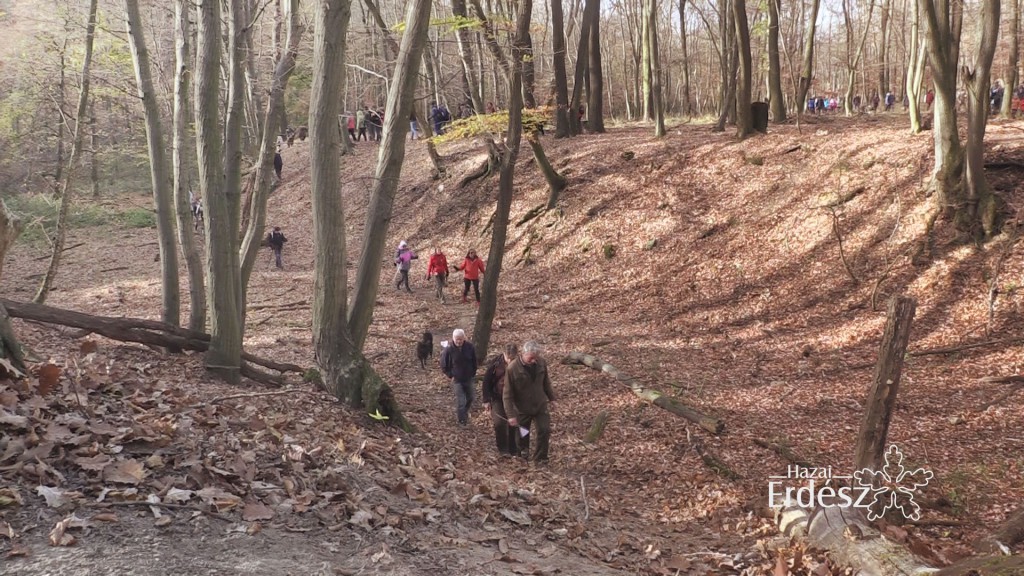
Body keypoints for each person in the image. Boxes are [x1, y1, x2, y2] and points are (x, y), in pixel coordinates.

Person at [503, 341, 556, 464]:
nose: (534, 361)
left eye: (536, 358)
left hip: (540, 405)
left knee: (544, 430)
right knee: (523, 433)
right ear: (523, 354)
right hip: (522, 409)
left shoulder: (542, 363)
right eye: (531, 358)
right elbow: (507, 394)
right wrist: (510, 415)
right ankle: (523, 452)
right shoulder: (512, 368)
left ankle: (541, 458)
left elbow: (546, 383)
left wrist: (552, 398)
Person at [482, 344, 520, 456]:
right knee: (499, 423)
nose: (510, 361)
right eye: (508, 358)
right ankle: (502, 449)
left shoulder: (521, 365)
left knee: (513, 422)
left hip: (513, 398)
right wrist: (486, 400)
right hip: (497, 397)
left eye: (512, 358)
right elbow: (486, 382)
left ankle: (514, 448)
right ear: (504, 354)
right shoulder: (495, 364)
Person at [440, 329, 478, 426]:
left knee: (471, 398)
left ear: (464, 338)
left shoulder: (470, 347)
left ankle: (464, 412)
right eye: (457, 339)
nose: (459, 341)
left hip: (468, 377)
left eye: (460, 339)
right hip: (457, 380)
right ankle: (462, 421)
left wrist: (473, 372)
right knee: (461, 401)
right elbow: (444, 365)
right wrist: (450, 375)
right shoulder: (449, 349)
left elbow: (474, 361)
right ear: (453, 339)